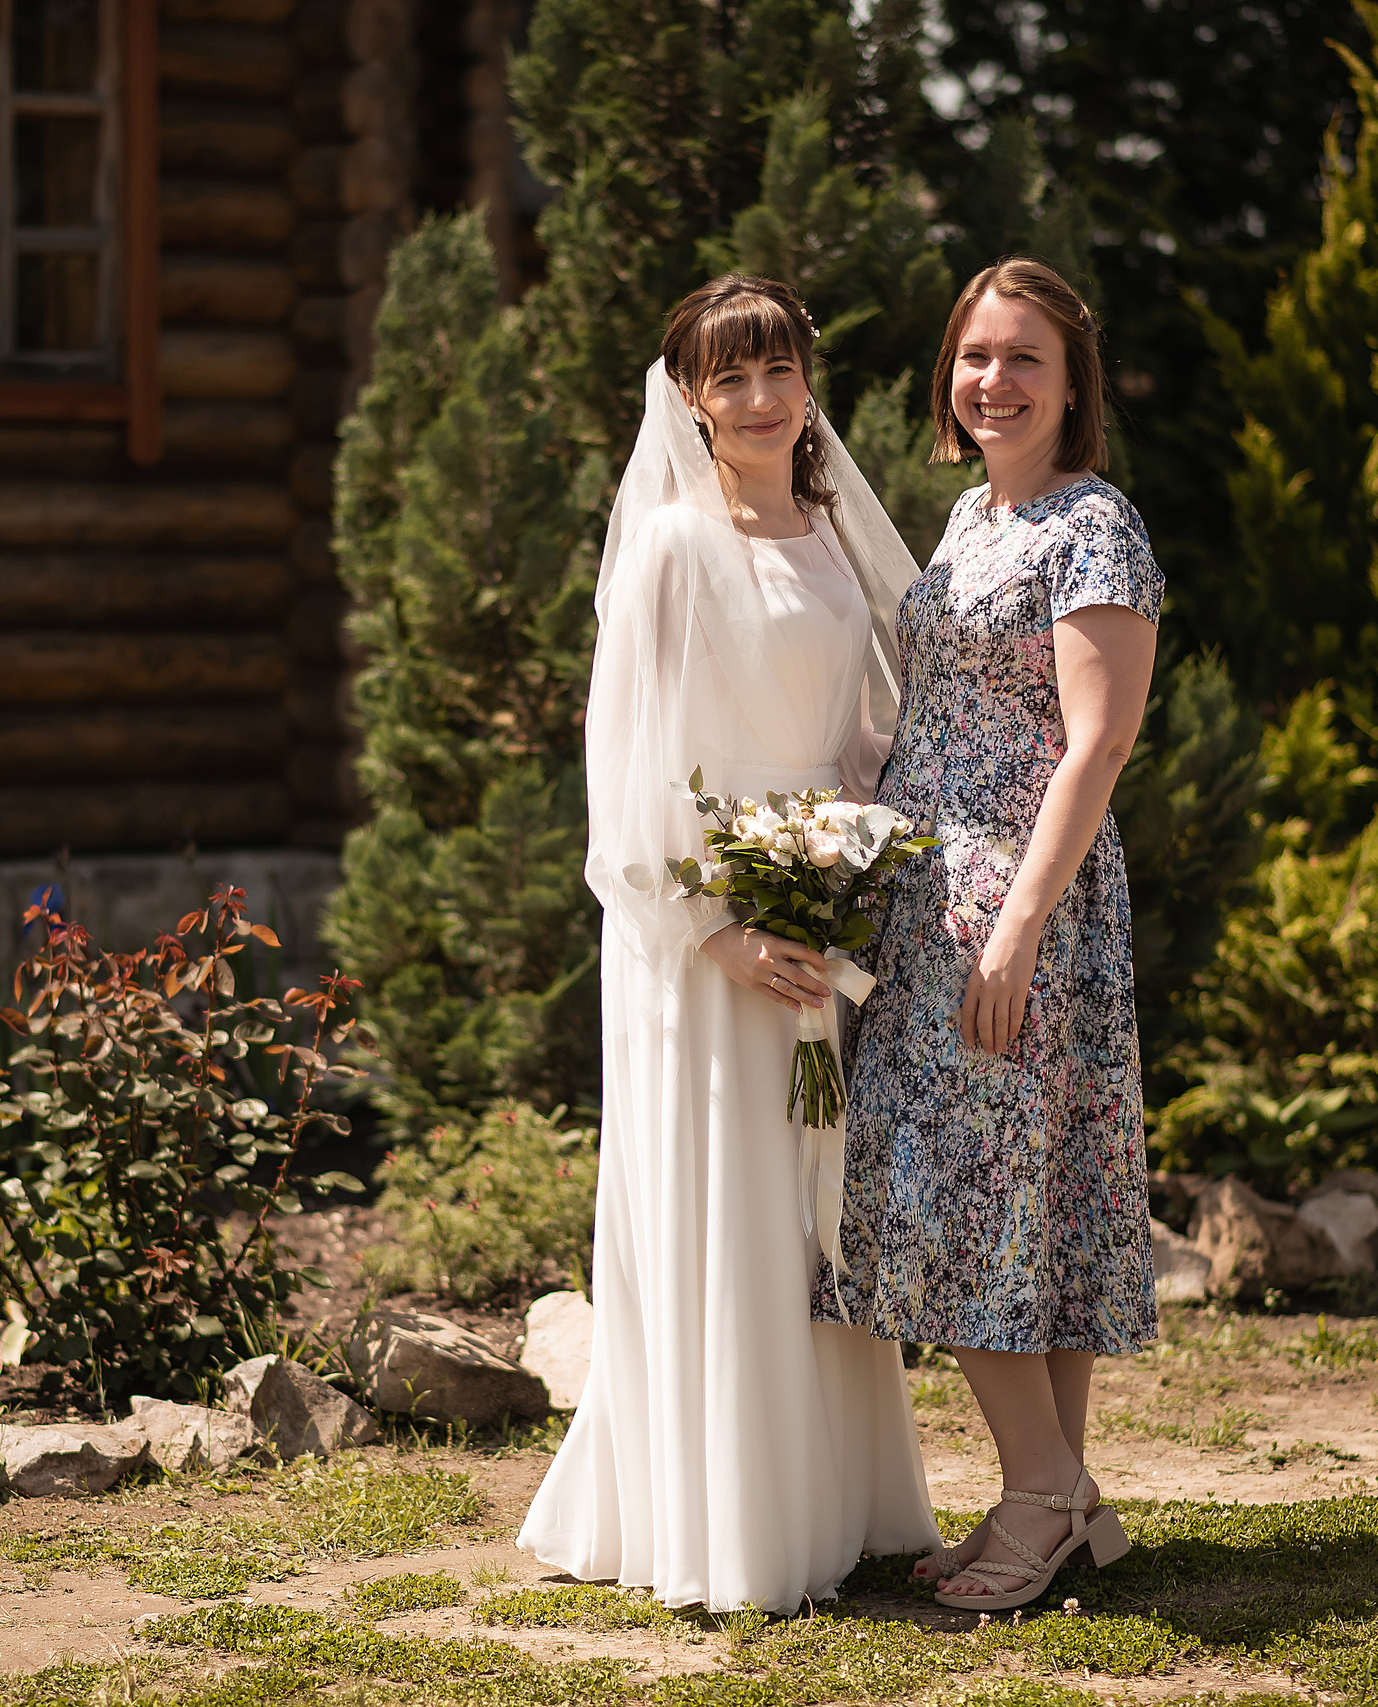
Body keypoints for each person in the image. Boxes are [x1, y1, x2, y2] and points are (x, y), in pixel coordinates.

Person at [517, 274, 943, 1611]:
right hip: (701, 934)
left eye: (778, 371)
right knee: (727, 1200)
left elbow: (866, 727)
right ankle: (721, 1523)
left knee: (810, 1201)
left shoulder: (826, 532)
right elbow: (624, 764)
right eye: (730, 377)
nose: (759, 399)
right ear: (691, 399)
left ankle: (841, 1497)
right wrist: (714, 931)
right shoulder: (667, 547)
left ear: (806, 381)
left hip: (812, 903)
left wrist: (865, 852)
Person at [813, 256, 1163, 1610]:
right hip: (936, 901)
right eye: (975, 356)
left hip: (1018, 911)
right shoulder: (969, 517)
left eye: (1024, 358)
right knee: (1023, 1208)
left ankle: (1038, 1498)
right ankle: (1061, 1502)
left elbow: (1100, 741)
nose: (993, 380)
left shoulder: (1094, 527)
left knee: (956, 1206)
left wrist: (1013, 929)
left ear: (1073, 383)